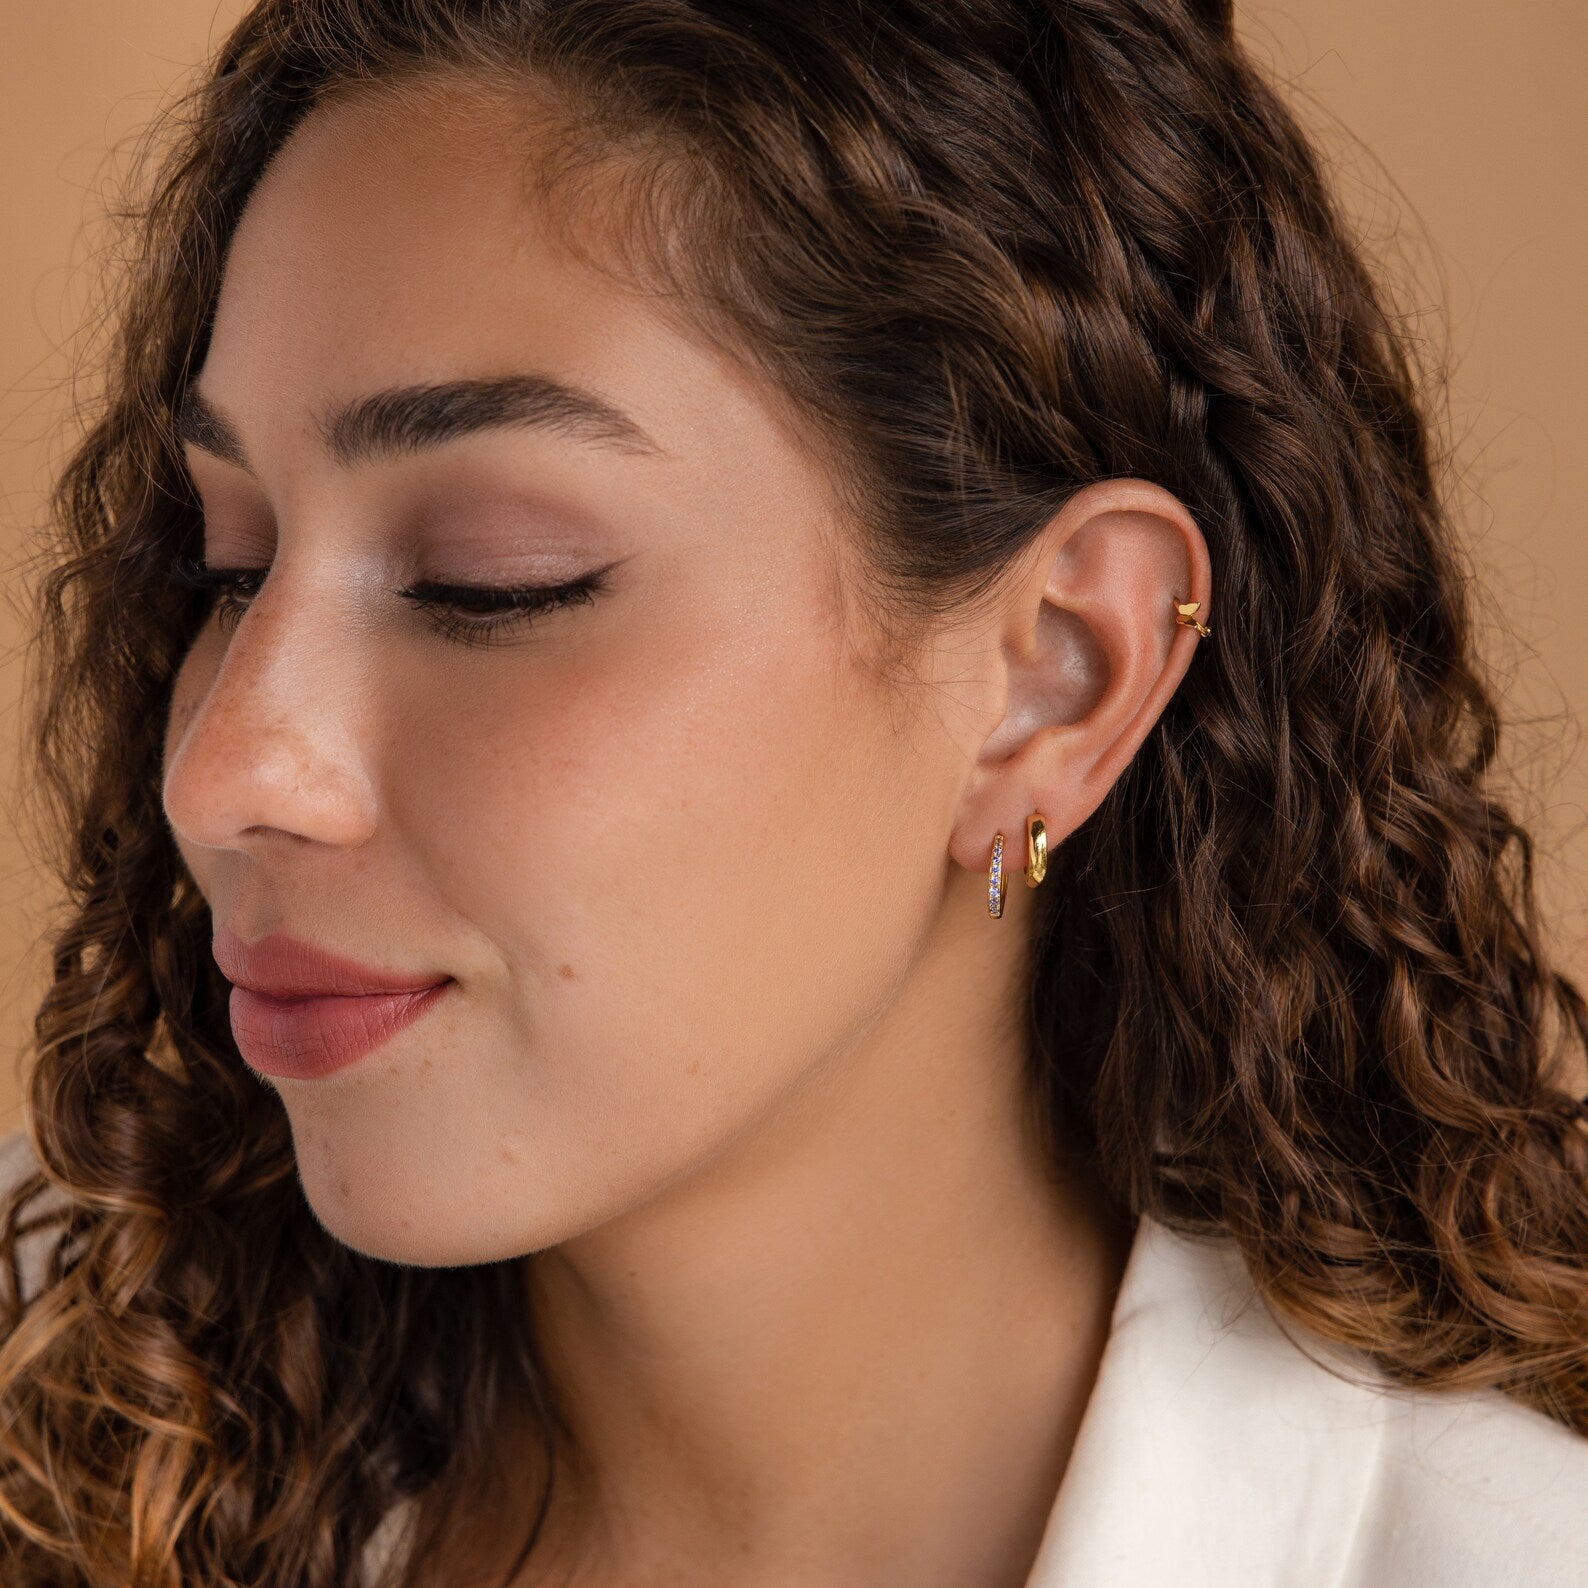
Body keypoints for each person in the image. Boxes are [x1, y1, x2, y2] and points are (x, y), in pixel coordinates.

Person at [1, 0, 1584, 1583]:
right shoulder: (52, 1432)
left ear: (1059, 676)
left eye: (495, 581)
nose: (225, 771)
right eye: (227, 564)